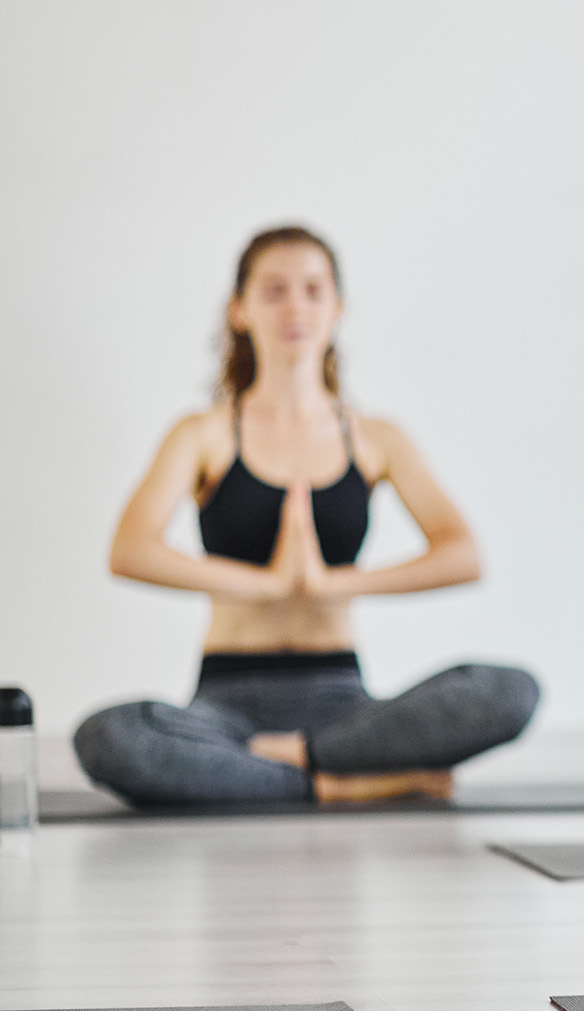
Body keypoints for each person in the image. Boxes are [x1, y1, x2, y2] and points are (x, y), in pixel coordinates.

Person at [75, 226, 537, 805]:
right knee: (109, 738)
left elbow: (462, 554)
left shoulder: (374, 437)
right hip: (226, 705)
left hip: (344, 708)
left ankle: (295, 766)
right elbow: (131, 549)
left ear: (337, 308)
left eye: (314, 290)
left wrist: (327, 584)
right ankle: (335, 783)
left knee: (510, 691)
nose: (296, 306)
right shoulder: (204, 434)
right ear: (240, 311)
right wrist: (267, 584)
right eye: (274, 291)